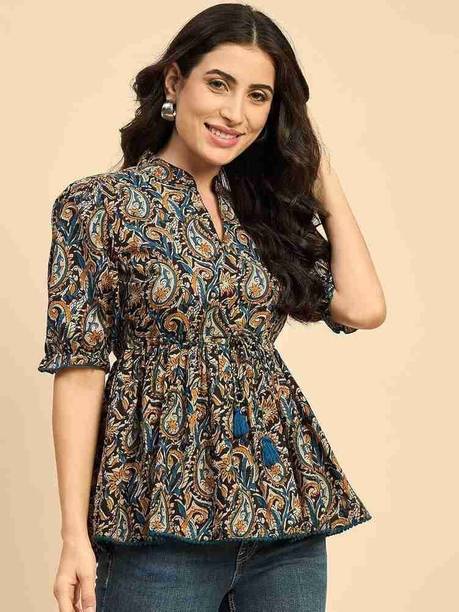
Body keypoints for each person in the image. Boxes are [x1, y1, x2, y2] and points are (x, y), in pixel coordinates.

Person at [37, 3, 386, 611]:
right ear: (175, 82)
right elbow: (80, 370)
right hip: (158, 516)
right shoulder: (99, 205)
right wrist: (74, 537)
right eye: (219, 84)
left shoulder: (262, 210)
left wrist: (320, 171)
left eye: (258, 96)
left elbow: (363, 307)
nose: (235, 113)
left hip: (284, 514)